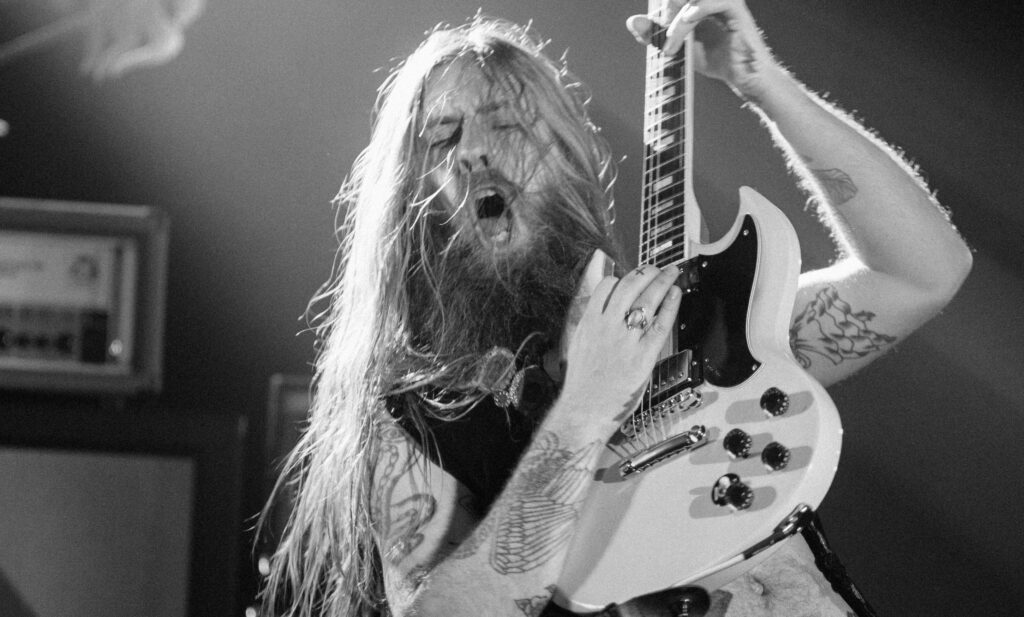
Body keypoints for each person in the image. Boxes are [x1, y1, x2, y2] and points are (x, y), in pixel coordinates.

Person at [259, 1, 972, 615]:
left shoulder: (687, 325)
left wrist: (767, 87)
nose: (473, 151)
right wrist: (587, 404)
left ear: (570, 155)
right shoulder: (418, 421)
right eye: (441, 139)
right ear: (414, 204)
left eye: (505, 122)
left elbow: (921, 274)